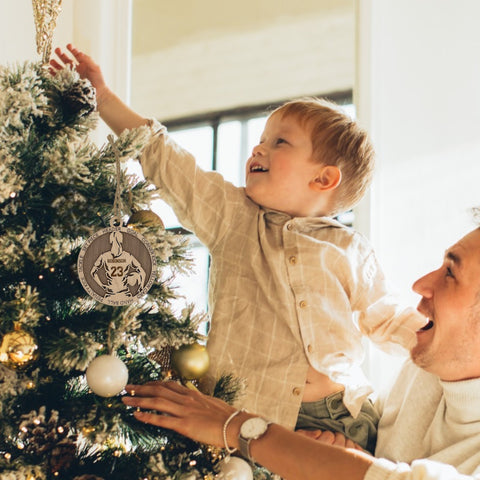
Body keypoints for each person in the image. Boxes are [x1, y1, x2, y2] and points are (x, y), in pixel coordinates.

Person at [51, 45, 426, 453]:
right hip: (245, 412)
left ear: (323, 179)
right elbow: (168, 160)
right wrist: (103, 97)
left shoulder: (349, 248)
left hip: (337, 416)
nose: (257, 148)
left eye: (280, 142)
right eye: (261, 139)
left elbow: (386, 318)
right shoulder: (234, 218)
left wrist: (442, 340)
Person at [122, 225, 480, 479]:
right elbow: (380, 463)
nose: (421, 285)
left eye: (450, 273)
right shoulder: (428, 367)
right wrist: (350, 455)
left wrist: (235, 426)